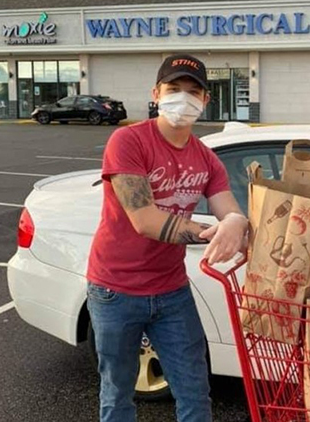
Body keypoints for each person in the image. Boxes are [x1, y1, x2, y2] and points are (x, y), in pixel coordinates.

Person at [86, 54, 248, 422]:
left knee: (194, 391)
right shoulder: (128, 141)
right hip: (115, 290)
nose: (183, 98)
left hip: (172, 290)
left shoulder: (207, 159)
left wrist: (237, 221)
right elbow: (144, 220)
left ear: (206, 100)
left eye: (194, 91)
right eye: (174, 89)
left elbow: (229, 209)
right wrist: (214, 232)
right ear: (156, 93)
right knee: (117, 391)